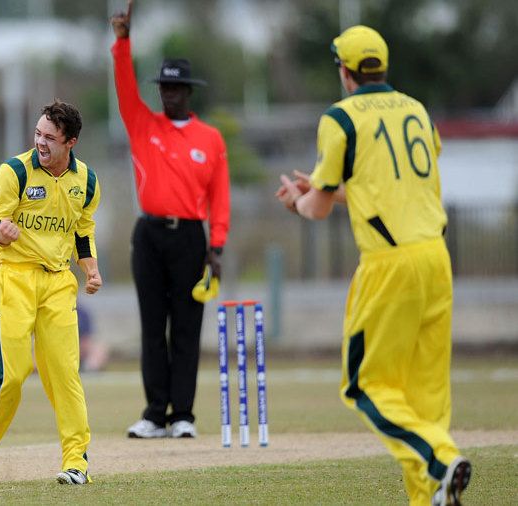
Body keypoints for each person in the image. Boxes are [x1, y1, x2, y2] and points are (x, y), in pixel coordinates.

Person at [275, 25, 471, 506]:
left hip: (389, 266)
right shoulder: (416, 110)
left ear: (344, 70)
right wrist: (325, 191)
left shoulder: (340, 117)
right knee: (425, 396)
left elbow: (317, 210)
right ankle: (432, 496)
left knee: (364, 385)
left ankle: (442, 460)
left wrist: (300, 200)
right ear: (382, 65)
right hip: (436, 258)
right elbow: (386, 186)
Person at [0, 100, 102, 486]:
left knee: (64, 373)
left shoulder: (86, 181)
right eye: (38, 134)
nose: (41, 143)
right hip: (14, 277)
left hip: (58, 282)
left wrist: (89, 268)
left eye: (50, 138)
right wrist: (0, 233)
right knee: (14, 374)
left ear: (70, 142)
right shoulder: (15, 171)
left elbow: (82, 230)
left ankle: (77, 461)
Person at [110, 0, 231, 439]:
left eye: (176, 89)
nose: (168, 94)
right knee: (151, 326)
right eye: (163, 88)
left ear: (189, 93)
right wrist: (123, 44)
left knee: (186, 327)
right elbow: (124, 89)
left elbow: (220, 197)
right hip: (149, 235)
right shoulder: (144, 125)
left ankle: (183, 415)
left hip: (190, 239)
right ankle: (154, 413)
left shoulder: (210, 139)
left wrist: (216, 247)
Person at [76, 304, 109, 373]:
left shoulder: (82, 313)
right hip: (66, 347)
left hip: (80, 347)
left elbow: (86, 337)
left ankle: (89, 370)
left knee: (99, 349)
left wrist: (82, 348)